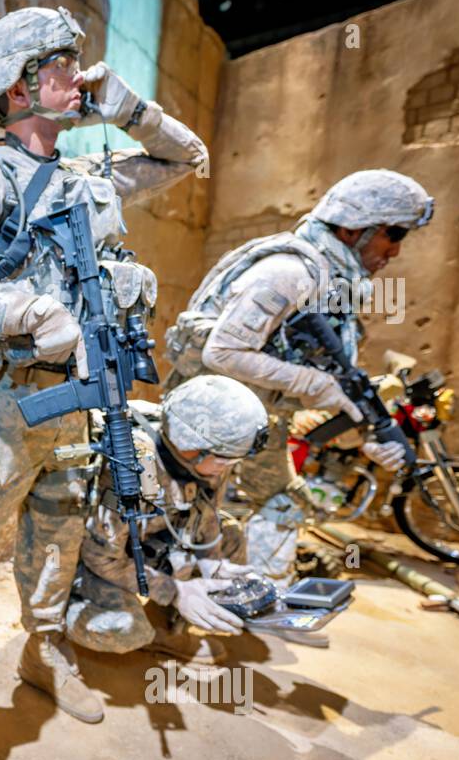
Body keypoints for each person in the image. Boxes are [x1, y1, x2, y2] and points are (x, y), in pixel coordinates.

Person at [0, 5, 208, 722]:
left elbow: (187, 158)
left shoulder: (93, 177)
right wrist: (27, 313)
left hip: (83, 401)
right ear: (19, 88)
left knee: (60, 530)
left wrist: (134, 111)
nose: (79, 78)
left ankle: (43, 645)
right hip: (5, 405)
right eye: (60, 68)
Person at [164, 169, 433, 592]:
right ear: (352, 229)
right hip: (204, 419)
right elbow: (224, 352)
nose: (395, 251)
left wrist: (368, 433)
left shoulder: (334, 279)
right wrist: (318, 386)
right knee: (184, 514)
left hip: (260, 415)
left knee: (280, 502)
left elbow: (322, 368)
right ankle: (172, 602)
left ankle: (262, 596)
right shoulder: (288, 271)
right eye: (392, 234)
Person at [66, 376, 270, 667]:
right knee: (126, 630)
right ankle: (57, 623)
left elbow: (208, 513)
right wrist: (175, 592)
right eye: (226, 460)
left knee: (231, 537)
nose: (228, 469)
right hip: (99, 558)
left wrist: (210, 561)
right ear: (191, 448)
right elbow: (101, 557)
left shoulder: (209, 461)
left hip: (154, 541)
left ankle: (167, 632)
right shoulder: (133, 466)